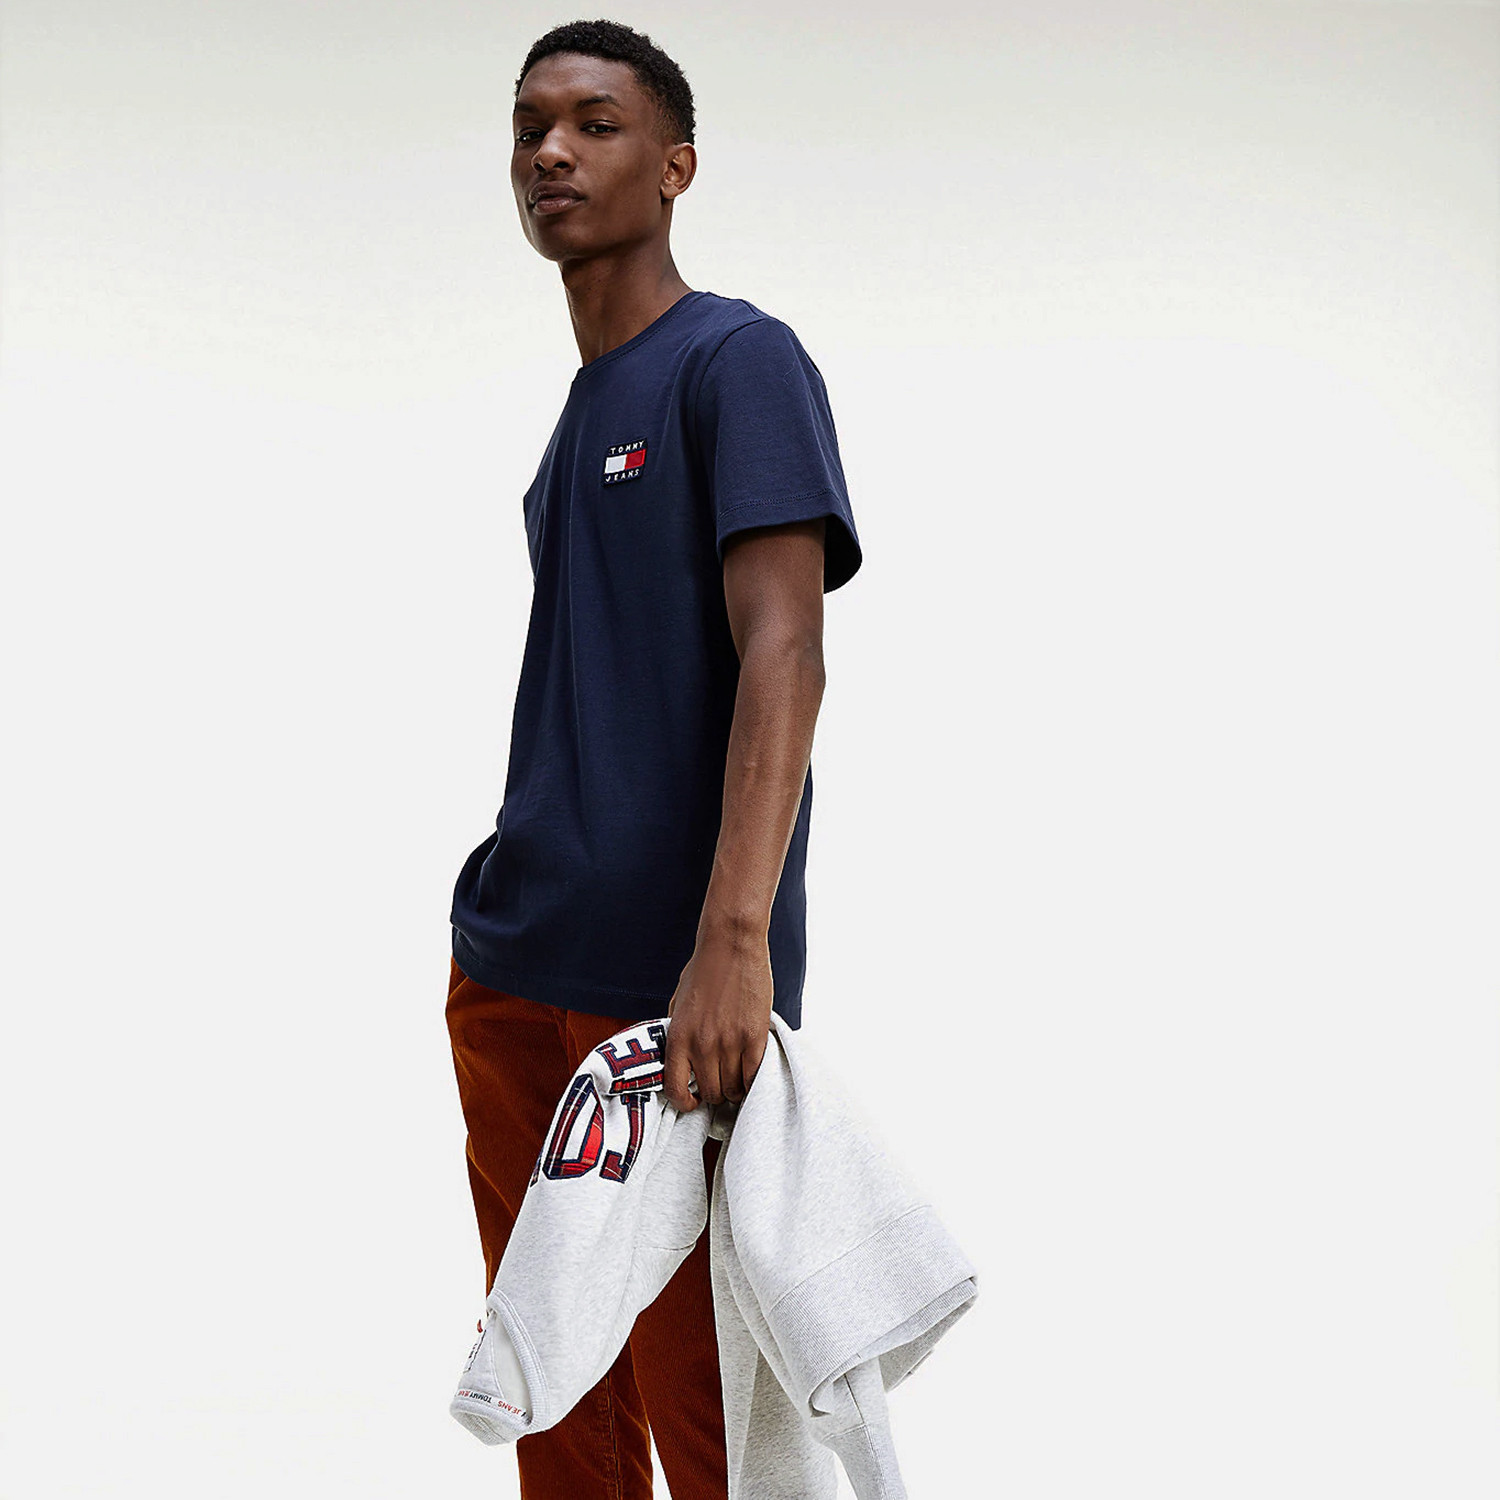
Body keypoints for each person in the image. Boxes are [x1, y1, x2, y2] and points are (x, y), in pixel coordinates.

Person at [443, 18, 862, 1499]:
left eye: (596, 123)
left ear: (676, 167)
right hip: (514, 968)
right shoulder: (580, 416)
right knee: (553, 1396)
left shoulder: (736, 361)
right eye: (530, 127)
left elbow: (786, 653)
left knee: (715, 1409)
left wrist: (734, 943)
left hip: (671, 995)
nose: (551, 152)